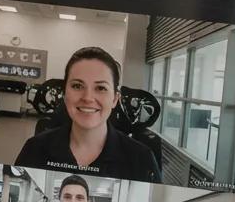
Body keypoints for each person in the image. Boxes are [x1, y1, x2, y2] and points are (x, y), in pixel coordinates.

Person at [14, 47, 161, 182]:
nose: (88, 98)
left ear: (115, 99)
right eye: (77, 86)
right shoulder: (34, 149)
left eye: (101, 88)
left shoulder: (141, 160)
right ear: (65, 94)